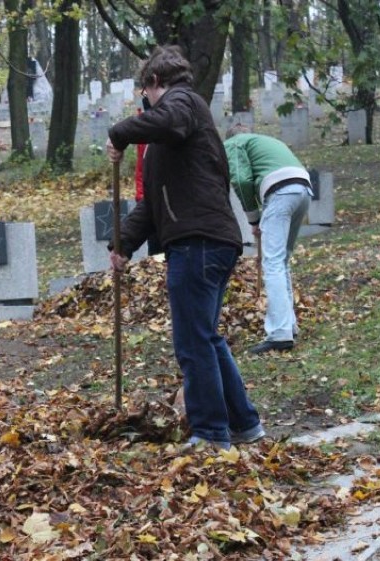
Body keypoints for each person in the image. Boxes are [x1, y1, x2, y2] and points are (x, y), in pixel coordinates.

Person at [105, 45, 264, 450]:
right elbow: (153, 204)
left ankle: (211, 433)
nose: (146, 105)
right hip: (205, 240)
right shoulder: (173, 135)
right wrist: (121, 244)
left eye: (146, 95)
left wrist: (120, 133)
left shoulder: (183, 102)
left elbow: (166, 119)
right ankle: (244, 424)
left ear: (154, 83)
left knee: (193, 342)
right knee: (206, 337)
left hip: (199, 243)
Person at [224, 125, 312, 354]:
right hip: (303, 189)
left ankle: (279, 334)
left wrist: (253, 219)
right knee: (281, 261)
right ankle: (289, 325)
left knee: (272, 262)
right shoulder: (266, 141)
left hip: (281, 191)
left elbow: (242, 181)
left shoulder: (234, 143)